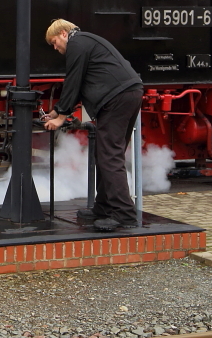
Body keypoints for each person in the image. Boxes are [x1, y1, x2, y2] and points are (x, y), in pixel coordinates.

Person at [42, 19, 144, 232]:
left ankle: (124, 215)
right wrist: (58, 109)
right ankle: (104, 208)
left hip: (116, 98)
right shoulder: (87, 41)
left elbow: (73, 81)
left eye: (54, 42)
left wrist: (60, 118)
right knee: (106, 154)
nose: (55, 48)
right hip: (127, 94)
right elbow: (79, 85)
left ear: (63, 33)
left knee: (109, 156)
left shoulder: (76, 43)